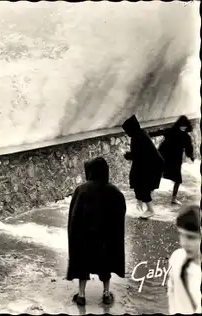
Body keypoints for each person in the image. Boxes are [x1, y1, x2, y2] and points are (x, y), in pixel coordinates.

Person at [66, 157, 126, 306]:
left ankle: (81, 295)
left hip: (85, 237)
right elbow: (120, 216)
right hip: (105, 238)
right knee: (105, 264)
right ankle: (106, 294)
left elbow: (74, 216)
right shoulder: (114, 191)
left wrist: (74, 236)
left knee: (82, 264)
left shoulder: (81, 190)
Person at [122, 114, 164, 219]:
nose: (127, 133)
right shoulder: (140, 134)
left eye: (127, 130)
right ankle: (140, 202)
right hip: (151, 163)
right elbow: (139, 155)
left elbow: (137, 155)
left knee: (143, 185)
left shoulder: (137, 138)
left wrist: (126, 155)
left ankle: (150, 210)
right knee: (138, 182)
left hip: (152, 165)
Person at [167, 204, 201, 314]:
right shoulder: (177, 258)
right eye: (181, 235)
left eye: (191, 237)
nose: (183, 243)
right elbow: (171, 291)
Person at [158, 115, 195, 205]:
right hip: (173, 159)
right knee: (177, 179)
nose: (183, 127)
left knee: (159, 174)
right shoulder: (185, 136)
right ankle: (173, 199)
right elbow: (189, 149)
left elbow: (158, 133)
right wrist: (190, 156)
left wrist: (190, 156)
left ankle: (149, 194)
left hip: (167, 157)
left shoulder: (171, 131)